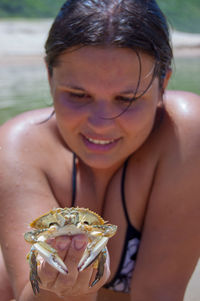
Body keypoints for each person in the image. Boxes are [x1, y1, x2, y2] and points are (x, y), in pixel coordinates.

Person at [0, 0, 200, 300]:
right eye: (78, 95)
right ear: (49, 75)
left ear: (163, 84)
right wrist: (62, 290)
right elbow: (30, 293)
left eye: (127, 99)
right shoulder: (19, 147)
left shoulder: (185, 134)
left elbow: (160, 293)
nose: (102, 124)